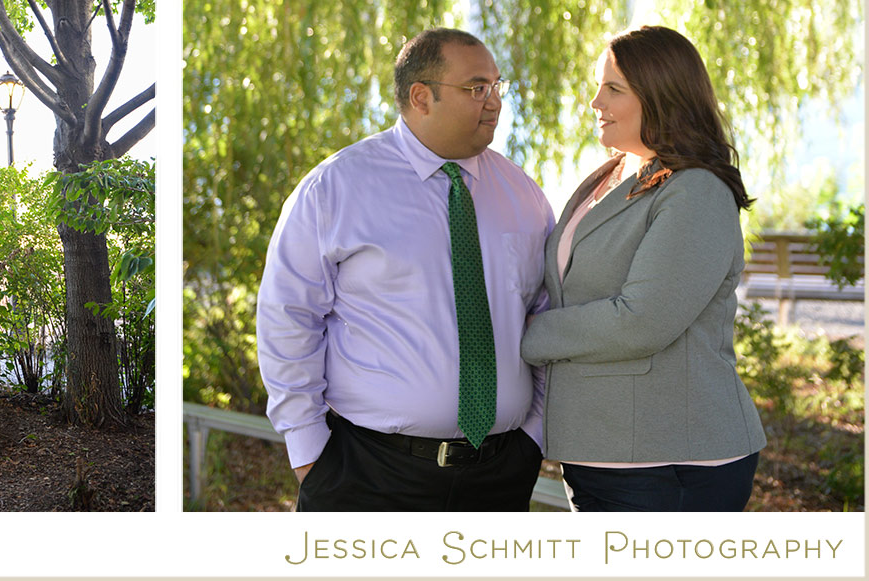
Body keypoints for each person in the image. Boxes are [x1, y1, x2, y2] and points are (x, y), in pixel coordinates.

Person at [257, 27, 554, 511]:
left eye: (497, 86)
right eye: (477, 88)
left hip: (501, 475)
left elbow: (545, 319)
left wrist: (533, 437)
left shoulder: (526, 197)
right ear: (421, 97)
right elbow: (287, 318)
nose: (495, 102)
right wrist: (310, 452)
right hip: (367, 475)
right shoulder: (336, 189)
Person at [520, 25, 766, 511]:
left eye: (613, 89)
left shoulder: (697, 191)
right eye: (598, 86)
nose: (595, 102)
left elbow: (642, 320)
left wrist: (522, 335)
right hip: (602, 447)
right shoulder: (610, 176)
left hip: (672, 458)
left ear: (660, 96)